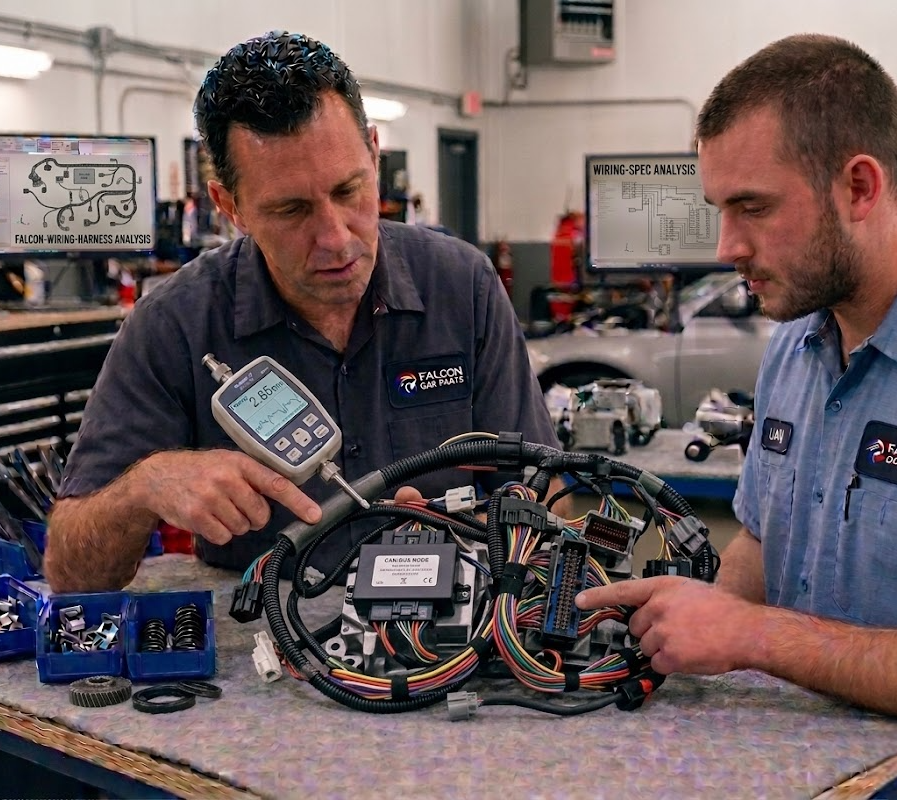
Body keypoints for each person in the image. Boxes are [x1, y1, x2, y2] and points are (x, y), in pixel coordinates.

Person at [43, 30, 558, 592]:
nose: (336, 239)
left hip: (447, 638)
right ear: (229, 206)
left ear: (374, 153)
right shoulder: (175, 325)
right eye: (291, 210)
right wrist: (144, 485)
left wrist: (480, 535)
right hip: (263, 653)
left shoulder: (463, 287)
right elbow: (71, 573)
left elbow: (547, 491)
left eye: (348, 190)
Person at [577, 33, 897, 728]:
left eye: (752, 208)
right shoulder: (795, 340)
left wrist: (753, 637)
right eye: (718, 210)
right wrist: (688, 619)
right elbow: (760, 540)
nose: (727, 247)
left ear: (860, 187)